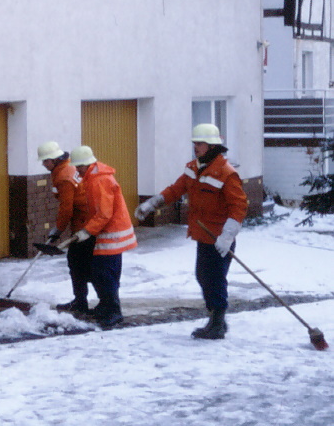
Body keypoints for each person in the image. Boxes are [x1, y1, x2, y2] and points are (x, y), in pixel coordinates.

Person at [134, 123, 247, 340]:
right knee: (204, 276)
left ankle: (217, 323)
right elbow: (177, 188)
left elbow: (239, 207)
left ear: (212, 146)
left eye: (200, 144)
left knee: (213, 279)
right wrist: (153, 203)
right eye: (195, 143)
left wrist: (228, 235)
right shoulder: (194, 167)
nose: (196, 147)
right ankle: (217, 320)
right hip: (203, 234)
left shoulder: (226, 173)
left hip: (219, 237)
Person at [69, 145, 138, 329]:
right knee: (100, 272)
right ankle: (105, 306)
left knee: (105, 274)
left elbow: (104, 214)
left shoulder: (99, 180)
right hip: (107, 231)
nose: (77, 170)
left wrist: (86, 231)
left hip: (112, 233)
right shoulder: (94, 177)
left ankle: (113, 312)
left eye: (78, 167)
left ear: (85, 164)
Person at [36, 141, 94, 315]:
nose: (44, 164)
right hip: (84, 220)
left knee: (77, 262)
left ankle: (81, 302)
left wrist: (58, 230)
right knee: (80, 263)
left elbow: (66, 208)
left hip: (84, 223)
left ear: (54, 159)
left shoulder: (63, 176)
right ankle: (83, 301)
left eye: (45, 161)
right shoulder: (66, 168)